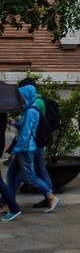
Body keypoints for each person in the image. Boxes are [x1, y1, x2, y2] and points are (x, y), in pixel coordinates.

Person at [2, 83, 59, 220]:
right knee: (10, 176)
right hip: (25, 149)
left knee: (30, 177)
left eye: (21, 96)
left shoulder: (30, 111)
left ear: (27, 95)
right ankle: (9, 203)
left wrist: (14, 151)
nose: (19, 99)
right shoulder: (29, 109)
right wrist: (14, 123)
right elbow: (24, 128)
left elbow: (25, 135)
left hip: (26, 150)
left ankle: (50, 196)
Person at [20, 77, 54, 209]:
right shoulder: (36, 101)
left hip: (33, 143)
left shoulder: (35, 103)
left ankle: (49, 196)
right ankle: (49, 196)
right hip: (36, 141)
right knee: (39, 169)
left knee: (33, 171)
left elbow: (30, 125)